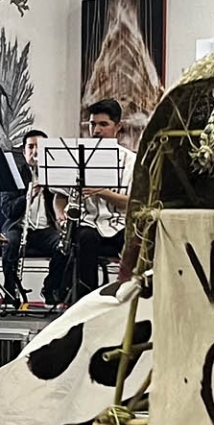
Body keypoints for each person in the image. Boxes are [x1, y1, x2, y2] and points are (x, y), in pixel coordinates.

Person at [60, 99, 136, 300]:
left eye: (104, 124)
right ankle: (86, 300)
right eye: (93, 124)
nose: (96, 130)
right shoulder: (78, 157)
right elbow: (59, 196)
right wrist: (61, 217)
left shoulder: (132, 161)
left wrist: (102, 192)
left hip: (120, 226)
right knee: (85, 238)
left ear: (118, 127)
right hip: (88, 224)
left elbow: (135, 203)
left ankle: (129, 299)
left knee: (138, 241)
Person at [0, 129, 65, 304]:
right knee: (10, 243)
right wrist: (29, 196)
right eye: (31, 147)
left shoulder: (56, 175)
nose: (35, 152)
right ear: (24, 151)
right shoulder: (14, 175)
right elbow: (7, 210)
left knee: (64, 246)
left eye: (40, 147)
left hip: (46, 229)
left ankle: (50, 288)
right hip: (19, 227)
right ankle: (10, 291)